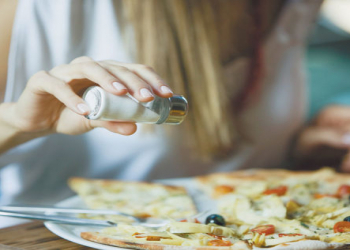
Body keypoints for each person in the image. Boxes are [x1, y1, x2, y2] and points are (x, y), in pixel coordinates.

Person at [0, 0, 349, 216]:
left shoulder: (297, 5)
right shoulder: (31, 8)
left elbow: (233, 157)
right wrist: (17, 123)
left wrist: (304, 139)